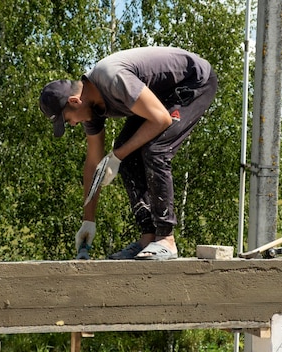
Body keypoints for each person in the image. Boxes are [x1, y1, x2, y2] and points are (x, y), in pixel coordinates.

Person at [39, 46, 217, 260]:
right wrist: (88, 220)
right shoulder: (90, 108)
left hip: (193, 81)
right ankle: (148, 237)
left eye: (69, 120)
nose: (74, 124)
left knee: (155, 150)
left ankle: (166, 240)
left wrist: (117, 156)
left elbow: (161, 119)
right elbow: (94, 164)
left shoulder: (112, 78)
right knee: (128, 152)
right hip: (158, 97)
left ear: (74, 101)